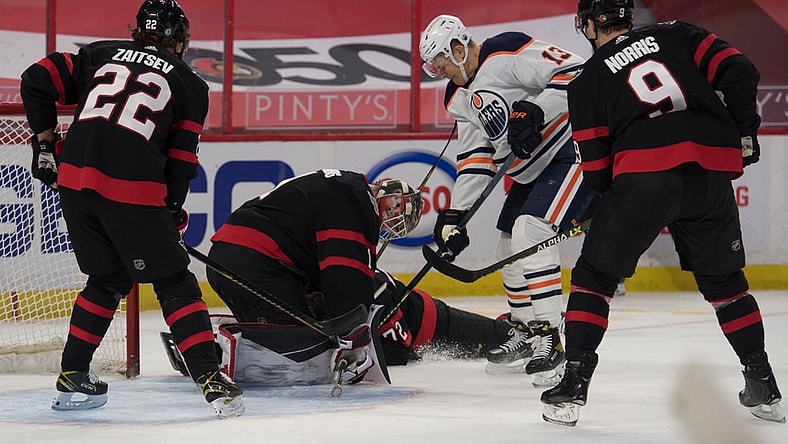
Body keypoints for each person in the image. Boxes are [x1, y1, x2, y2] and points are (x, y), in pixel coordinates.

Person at [541, 0, 784, 426]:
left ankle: (574, 384)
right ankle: (761, 381)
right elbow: (741, 70)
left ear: (593, 24)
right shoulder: (678, 34)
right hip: (709, 174)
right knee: (726, 283)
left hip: (643, 177)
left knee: (594, 278)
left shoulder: (588, 78)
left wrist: (606, 204)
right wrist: (744, 133)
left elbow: (597, 168)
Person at [19, 0, 243, 418]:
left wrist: (45, 145)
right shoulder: (191, 85)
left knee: (107, 278)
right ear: (181, 38)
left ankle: (73, 376)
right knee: (175, 281)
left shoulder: (99, 53)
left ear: (138, 29)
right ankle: (211, 380)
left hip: (75, 183)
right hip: (130, 190)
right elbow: (180, 163)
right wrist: (172, 211)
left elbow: (35, 79)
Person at [419, 14, 594, 385]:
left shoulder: (506, 49)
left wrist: (536, 111)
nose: (441, 71)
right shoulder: (458, 99)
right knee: (507, 250)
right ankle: (528, 334)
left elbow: (578, 71)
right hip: (529, 173)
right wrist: (454, 215)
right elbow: (476, 158)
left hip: (569, 152)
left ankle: (552, 339)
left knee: (530, 232)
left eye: (441, 62)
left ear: (457, 46)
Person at [205, 169, 424, 384]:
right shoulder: (355, 202)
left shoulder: (340, 185)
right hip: (256, 264)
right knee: (302, 350)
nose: (388, 222)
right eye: (394, 215)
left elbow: (310, 250)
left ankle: (207, 344)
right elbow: (346, 277)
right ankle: (219, 353)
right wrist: (352, 334)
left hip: (226, 256)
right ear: (392, 199)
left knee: (285, 325)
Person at [162, 268, 513, 386]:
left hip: (434, 323)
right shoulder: (336, 281)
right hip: (418, 319)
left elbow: (398, 350)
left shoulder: (370, 289)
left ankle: (525, 332)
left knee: (501, 339)